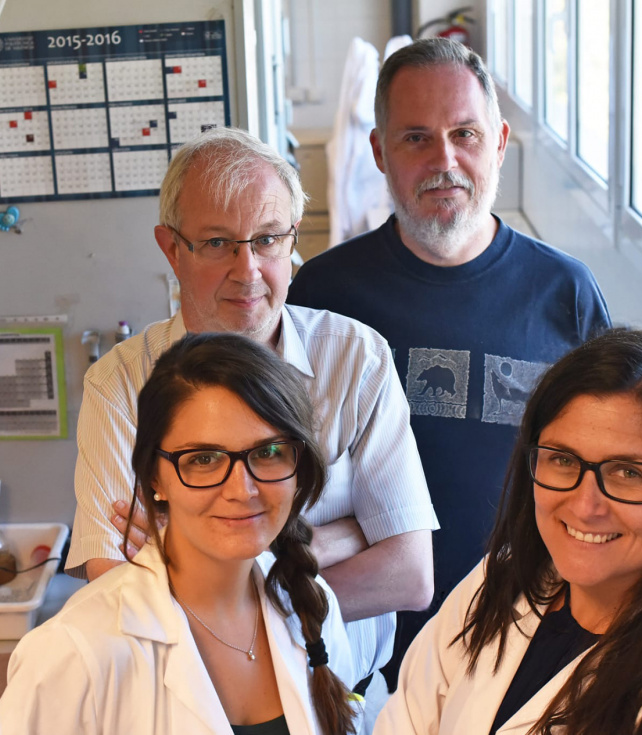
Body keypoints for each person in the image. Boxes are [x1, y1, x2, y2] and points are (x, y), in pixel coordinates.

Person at [65, 126, 438, 722]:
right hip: (189, 708)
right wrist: (344, 535)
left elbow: (410, 575)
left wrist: (202, 562)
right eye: (217, 243)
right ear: (171, 248)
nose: (249, 269)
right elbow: (122, 593)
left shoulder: (356, 359)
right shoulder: (120, 386)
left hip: (348, 704)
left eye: (267, 239)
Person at [287, 37, 611, 682]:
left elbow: (611, 467)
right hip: (366, 645)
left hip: (529, 638)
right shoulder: (323, 297)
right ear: (380, 152)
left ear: (499, 141)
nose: (445, 160)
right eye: (415, 138)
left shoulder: (565, 294)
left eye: (465, 133)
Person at [376, 328, 642, 735]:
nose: (586, 506)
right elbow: (405, 720)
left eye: (628, 473)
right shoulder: (500, 578)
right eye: (563, 460)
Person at [0, 334, 361, 733]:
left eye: (268, 452)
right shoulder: (73, 650)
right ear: (154, 476)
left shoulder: (313, 608)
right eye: (203, 459)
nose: (242, 490)